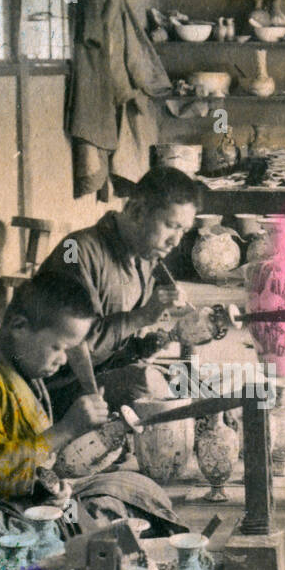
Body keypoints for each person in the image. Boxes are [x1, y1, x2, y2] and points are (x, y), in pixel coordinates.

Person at [0, 270, 181, 537]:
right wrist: (65, 430)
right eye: (57, 347)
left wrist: (47, 488)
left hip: (3, 506)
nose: (63, 360)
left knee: (134, 491)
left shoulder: (20, 373)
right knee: (94, 529)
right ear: (19, 325)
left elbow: (26, 459)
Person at [38, 165, 201, 417]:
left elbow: (119, 349)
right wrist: (143, 316)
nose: (176, 241)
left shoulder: (144, 258)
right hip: (55, 388)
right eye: (171, 225)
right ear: (136, 210)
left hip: (102, 375)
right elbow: (75, 349)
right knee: (146, 383)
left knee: (196, 382)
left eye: (183, 230)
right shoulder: (75, 250)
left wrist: (157, 341)